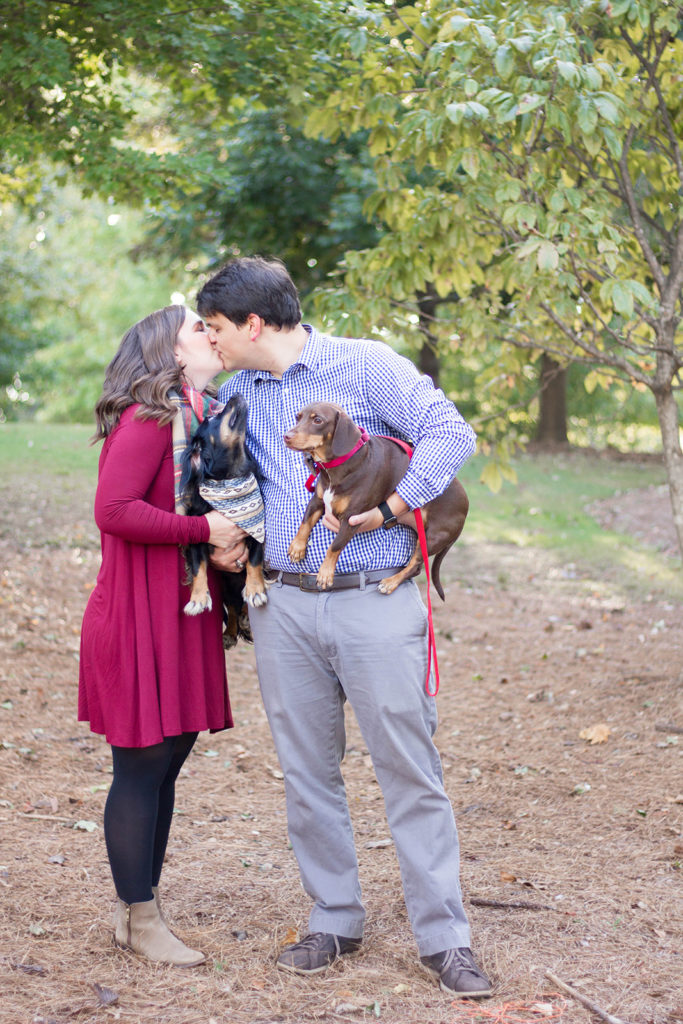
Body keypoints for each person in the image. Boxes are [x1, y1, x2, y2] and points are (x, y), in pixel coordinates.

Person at [197, 257, 492, 997]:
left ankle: (445, 938)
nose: (211, 338)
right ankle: (334, 919)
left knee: (409, 770)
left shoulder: (365, 366)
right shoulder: (237, 393)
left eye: (216, 326)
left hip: (374, 602)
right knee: (306, 772)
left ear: (253, 323)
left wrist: (393, 509)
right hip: (284, 606)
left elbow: (450, 434)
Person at [78, 305, 247, 966]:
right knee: (143, 765)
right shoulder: (149, 420)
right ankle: (139, 918)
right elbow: (114, 510)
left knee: (168, 759)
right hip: (138, 612)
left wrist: (229, 543)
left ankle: (139, 909)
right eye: (198, 329)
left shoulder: (201, 419)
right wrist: (204, 531)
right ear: (171, 353)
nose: (211, 334)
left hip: (181, 607)